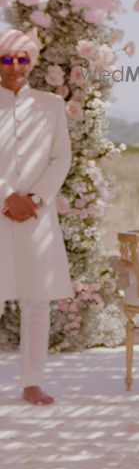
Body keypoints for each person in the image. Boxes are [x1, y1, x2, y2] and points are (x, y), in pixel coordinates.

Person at [0, 27, 73, 406]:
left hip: (35, 218)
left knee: (35, 302)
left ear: (32, 62)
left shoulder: (50, 105)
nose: (15, 67)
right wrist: (7, 197)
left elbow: (62, 157)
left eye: (22, 59)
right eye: (7, 59)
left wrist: (35, 199)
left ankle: (32, 382)